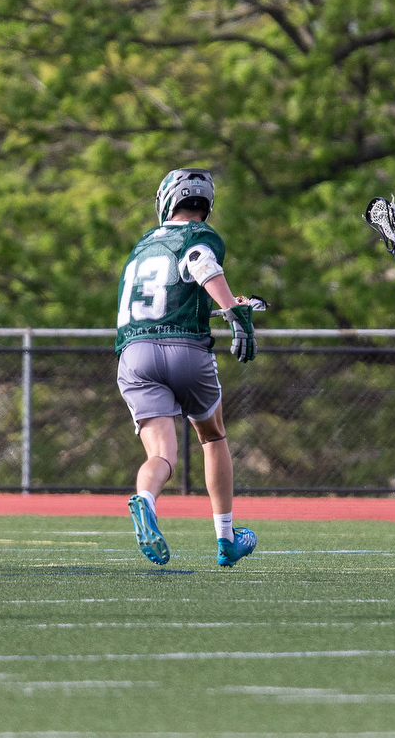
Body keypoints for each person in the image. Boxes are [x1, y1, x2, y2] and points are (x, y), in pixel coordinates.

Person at [116, 168, 258, 567]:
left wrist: (223, 306)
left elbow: (166, 298)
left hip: (136, 354)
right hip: (186, 351)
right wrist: (233, 311)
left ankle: (145, 500)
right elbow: (200, 261)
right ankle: (227, 539)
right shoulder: (199, 236)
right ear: (205, 206)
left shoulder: (142, 245)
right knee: (212, 437)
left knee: (162, 455)